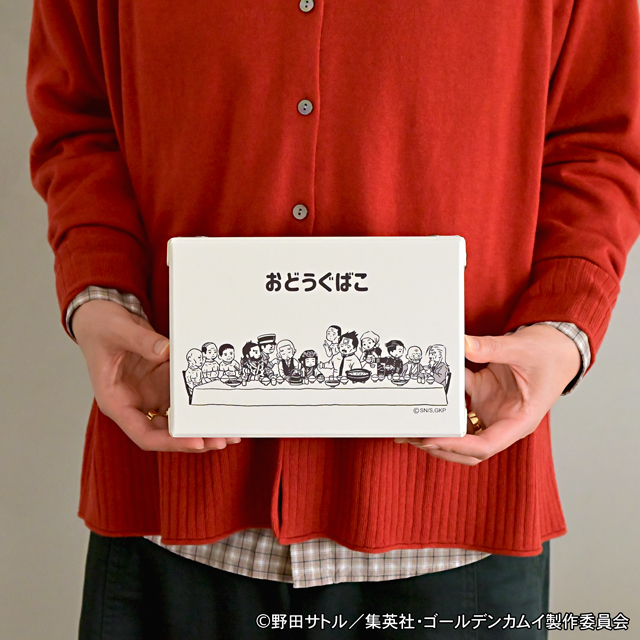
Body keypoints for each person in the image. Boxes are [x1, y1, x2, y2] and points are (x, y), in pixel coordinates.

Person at [27, 0, 640, 638]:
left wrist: (564, 327)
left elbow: (599, 141)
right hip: (176, 508)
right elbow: (81, 124)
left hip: (457, 520)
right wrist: (101, 294)